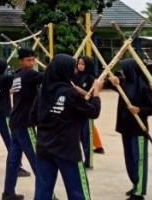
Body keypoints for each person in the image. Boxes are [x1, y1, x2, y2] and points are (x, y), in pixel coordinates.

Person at [31, 54, 103, 200]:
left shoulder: (42, 92)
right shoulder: (70, 94)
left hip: (44, 147)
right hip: (68, 150)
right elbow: (93, 112)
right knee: (77, 191)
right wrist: (96, 93)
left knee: (42, 191)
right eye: (73, 67)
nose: (75, 71)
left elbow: (33, 118)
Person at [108, 59, 152, 200]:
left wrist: (139, 109)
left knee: (139, 161)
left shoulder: (144, 87)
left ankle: (139, 192)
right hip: (125, 128)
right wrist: (113, 80)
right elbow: (107, 82)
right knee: (129, 160)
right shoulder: (123, 83)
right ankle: (136, 184)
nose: (122, 72)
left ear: (131, 70)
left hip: (138, 130)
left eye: (124, 69)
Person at [2, 47, 43, 200]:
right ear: (21, 61)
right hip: (25, 124)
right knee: (39, 161)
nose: (32, 63)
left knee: (13, 160)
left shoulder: (18, 75)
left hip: (15, 122)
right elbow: (47, 77)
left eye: (33, 60)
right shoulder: (28, 74)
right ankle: (46, 195)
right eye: (28, 60)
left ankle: (8, 193)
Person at [72, 56, 96, 169]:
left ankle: (89, 161)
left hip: (87, 109)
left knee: (87, 137)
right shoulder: (75, 76)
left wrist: (76, 88)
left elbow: (90, 94)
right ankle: (79, 159)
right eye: (79, 64)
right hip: (76, 109)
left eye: (83, 64)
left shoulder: (91, 78)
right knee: (78, 136)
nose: (80, 66)